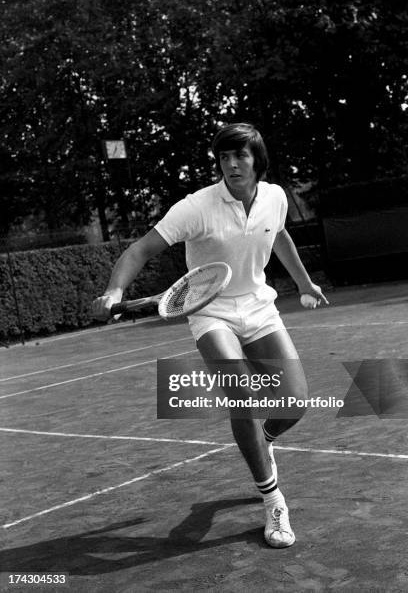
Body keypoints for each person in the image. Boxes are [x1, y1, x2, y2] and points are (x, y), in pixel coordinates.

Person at [92, 123, 329, 548]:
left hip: (259, 307)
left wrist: (305, 284)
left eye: (240, 156)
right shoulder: (196, 207)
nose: (232, 164)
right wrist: (115, 290)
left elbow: (280, 238)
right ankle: (273, 500)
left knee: (295, 401)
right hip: (210, 313)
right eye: (224, 157)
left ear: (257, 159)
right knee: (242, 393)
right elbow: (139, 250)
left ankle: (264, 442)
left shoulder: (274, 197)